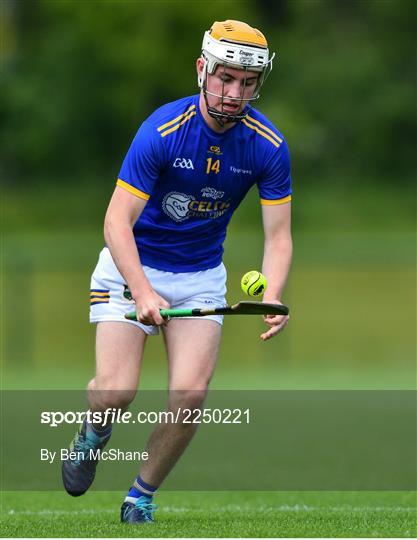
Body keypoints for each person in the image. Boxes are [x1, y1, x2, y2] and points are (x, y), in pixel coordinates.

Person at [62, 19, 292, 524]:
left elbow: (278, 236)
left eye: (247, 83)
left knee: (189, 396)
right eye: (225, 78)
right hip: (132, 266)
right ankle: (92, 434)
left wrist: (273, 291)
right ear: (201, 70)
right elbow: (115, 222)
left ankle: (140, 496)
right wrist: (142, 291)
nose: (234, 94)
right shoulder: (162, 131)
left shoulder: (268, 146)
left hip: (200, 275)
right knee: (115, 391)